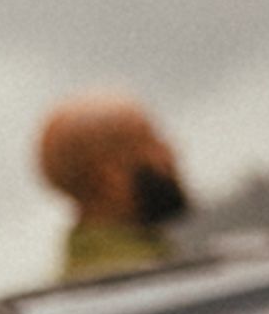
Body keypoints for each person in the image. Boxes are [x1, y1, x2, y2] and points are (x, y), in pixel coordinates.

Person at [34, 92, 190, 282]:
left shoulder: (72, 287)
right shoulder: (144, 282)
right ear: (108, 176)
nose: (172, 154)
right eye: (152, 144)